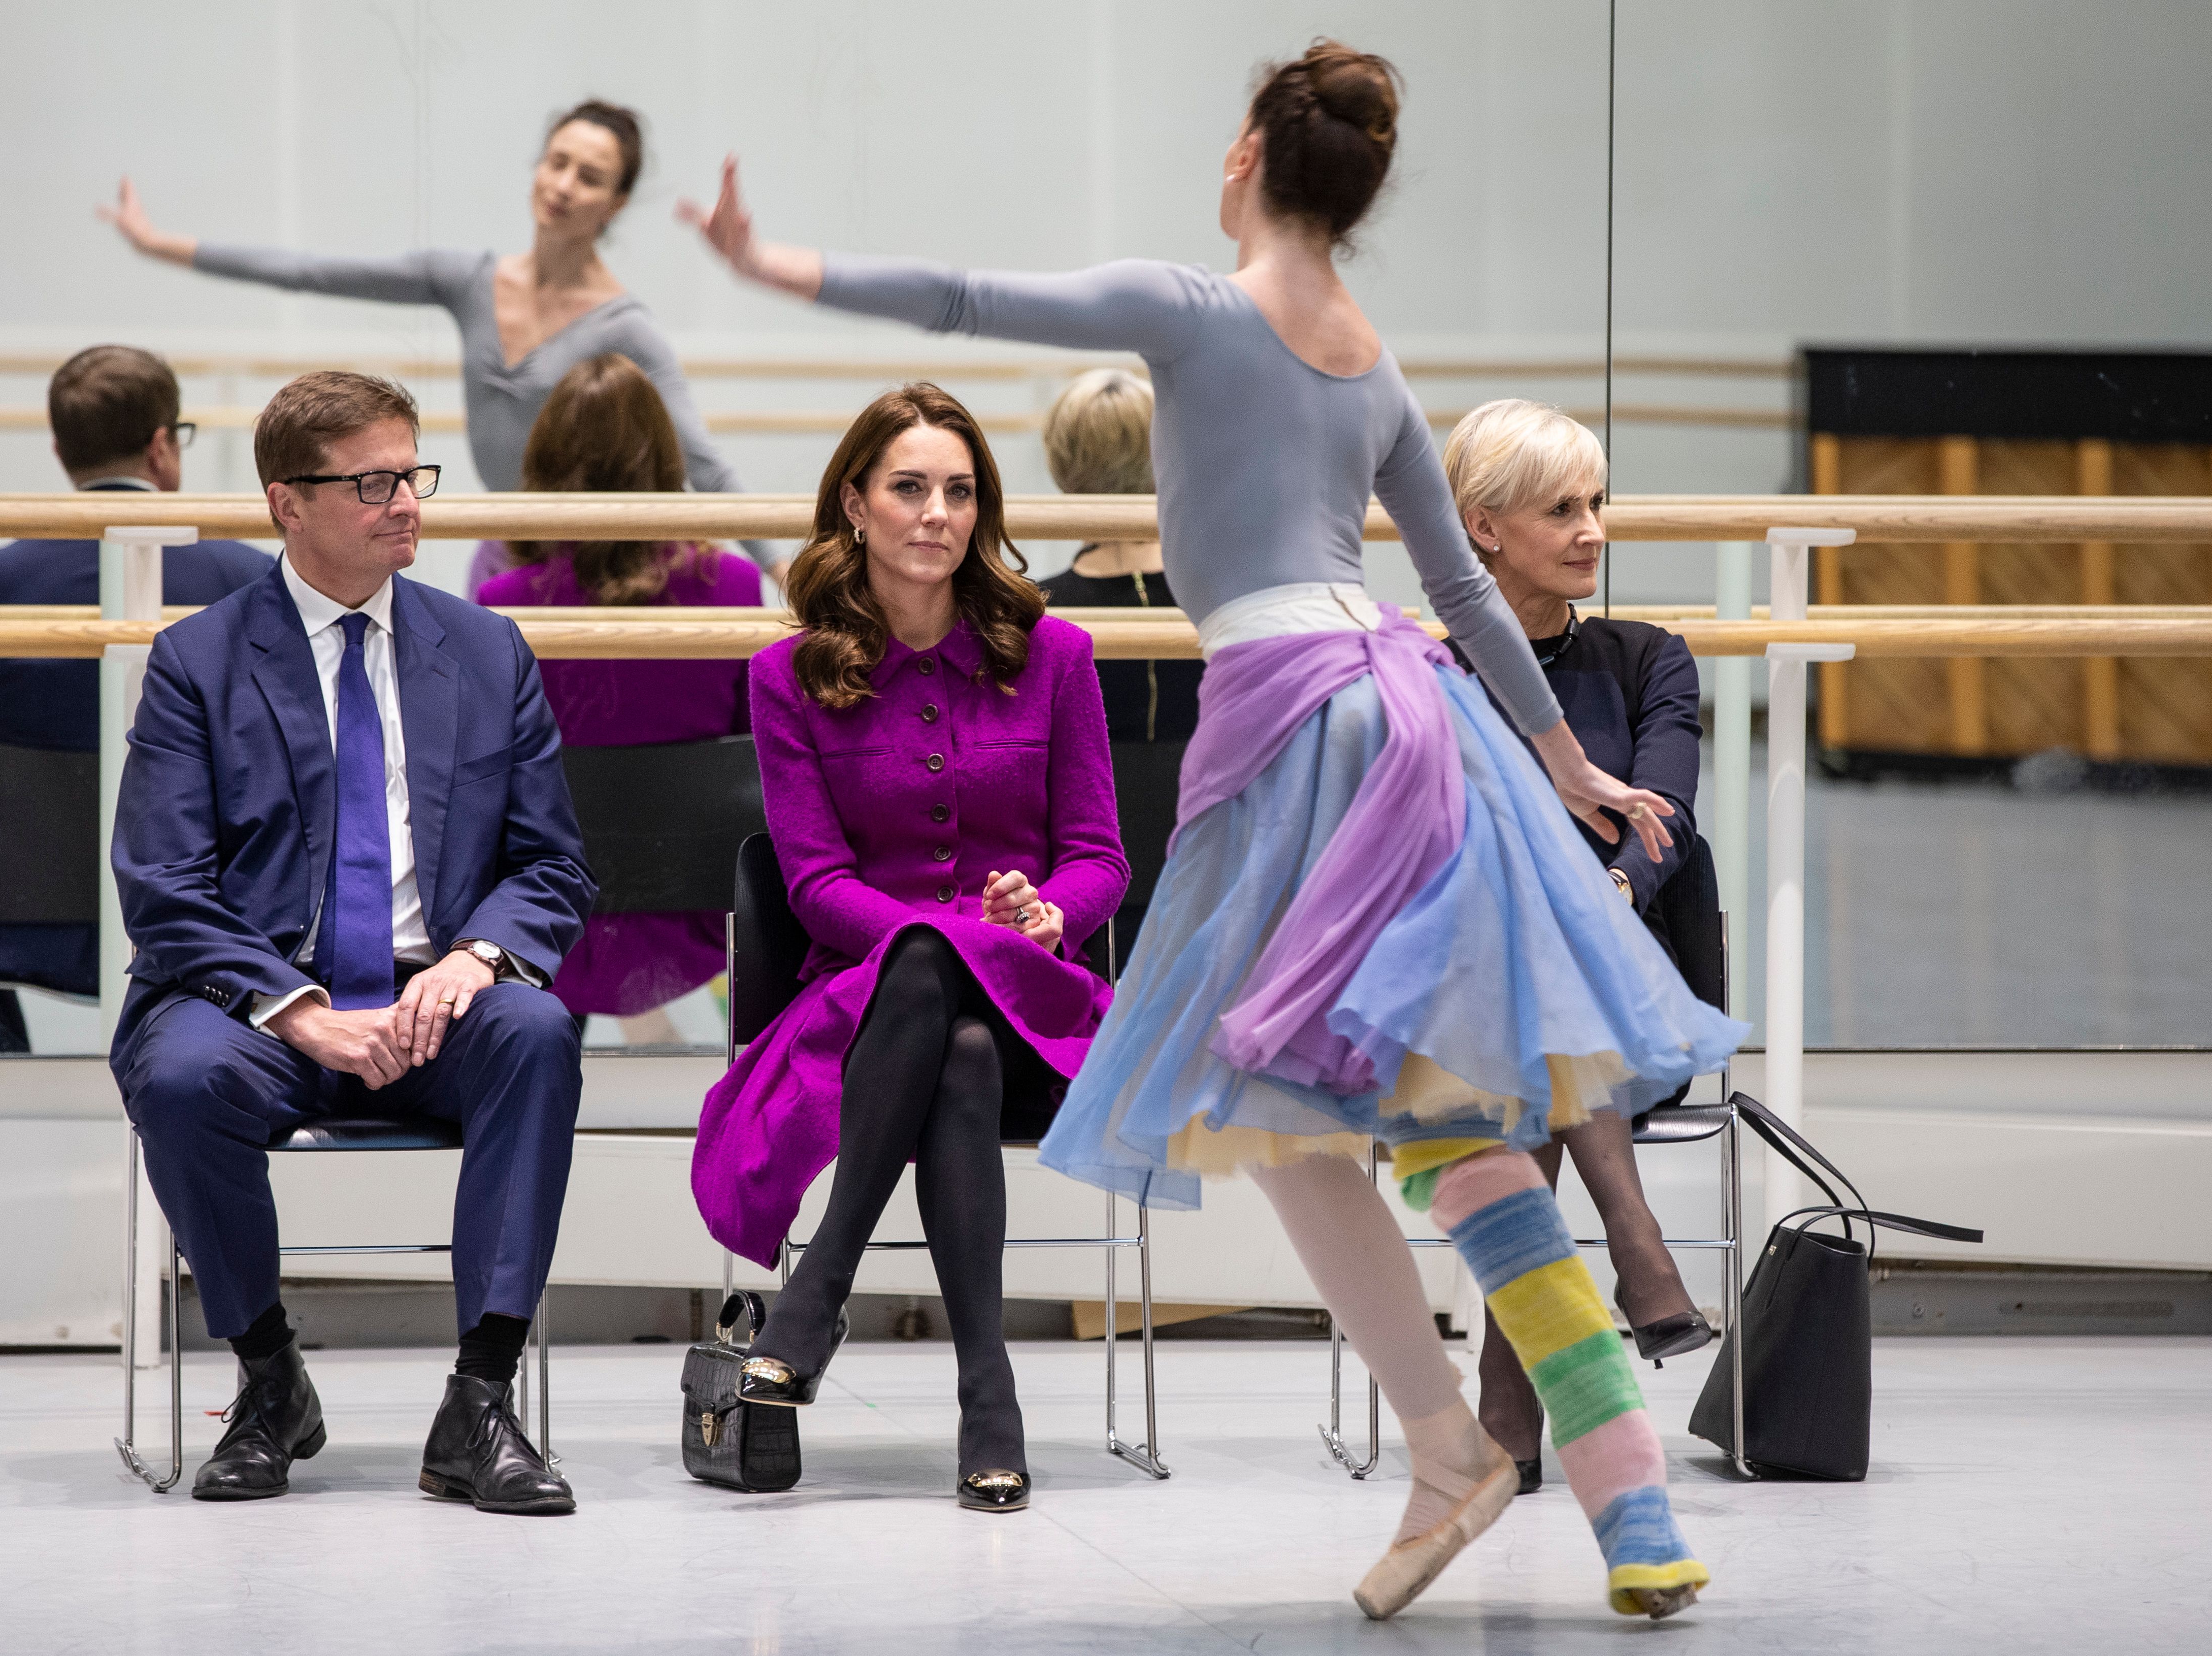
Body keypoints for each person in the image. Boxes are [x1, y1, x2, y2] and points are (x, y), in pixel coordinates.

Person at [681, 38, 1742, 1621]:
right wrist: (1565, 765)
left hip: (1299, 725)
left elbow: (970, 301)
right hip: (1412, 711)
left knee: (1291, 1121)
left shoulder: (1193, 309)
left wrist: (773, 262)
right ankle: (1621, 1500)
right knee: (1426, 1120)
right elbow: (1456, 591)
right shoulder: (1369, 356)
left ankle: (1458, 1450)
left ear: (1247, 153)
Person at [110, 371, 594, 1513]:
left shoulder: (485, 650)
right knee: (178, 1074)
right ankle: (271, 1376)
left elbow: (553, 865)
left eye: (413, 474)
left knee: (538, 1032)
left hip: (443, 1003)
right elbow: (163, 887)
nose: (406, 503)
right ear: (287, 503)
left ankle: (479, 1399)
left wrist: (477, 958)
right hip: (265, 1007)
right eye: (371, 482)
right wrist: (297, 1009)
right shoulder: (199, 661)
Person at [690, 384, 1126, 1516]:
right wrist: (942, 932)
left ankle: (816, 1288)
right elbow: (815, 888)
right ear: (855, 502)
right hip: (859, 1010)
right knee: (952, 1030)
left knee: (977, 1019)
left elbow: (1098, 859)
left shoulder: (1058, 654)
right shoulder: (787, 676)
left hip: (1041, 1003)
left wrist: (1049, 918)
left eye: (960, 489)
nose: (937, 512)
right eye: (909, 487)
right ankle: (990, 1395)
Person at [97, 99, 775, 573]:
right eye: (557, 162)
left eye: (589, 176)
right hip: (506, 552)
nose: (564, 185)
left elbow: (707, 467)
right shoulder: (469, 279)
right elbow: (311, 271)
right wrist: (163, 246)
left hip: (594, 563)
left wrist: (785, 574)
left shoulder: (625, 327)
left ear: (617, 202)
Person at [1442, 399, 1719, 1496]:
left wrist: (1599, 891)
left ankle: (1505, 1412)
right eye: (1561, 509)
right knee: (1530, 974)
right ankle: (1636, 1245)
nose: (1593, 529)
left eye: (1596, 503)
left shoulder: (1650, 658)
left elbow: (1664, 820)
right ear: (1481, 527)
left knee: (1550, 997)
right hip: (1453, 1000)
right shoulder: (1433, 674)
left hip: (1626, 1003)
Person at [0, 345, 273, 1052]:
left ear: (61, 449)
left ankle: (0, 1072)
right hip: (208, 915)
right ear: (162, 445)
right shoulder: (243, 573)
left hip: (22, 913)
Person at [476, 352, 763, 1036]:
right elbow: (753, 765)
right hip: (698, 919)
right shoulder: (734, 590)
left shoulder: (502, 605)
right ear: (665, 464)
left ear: (544, 464)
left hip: (548, 920)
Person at [1034, 369, 1203, 744]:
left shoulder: (1031, 608)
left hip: (1085, 801)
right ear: (1164, 454)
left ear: (1062, 464)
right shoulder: (1217, 593)